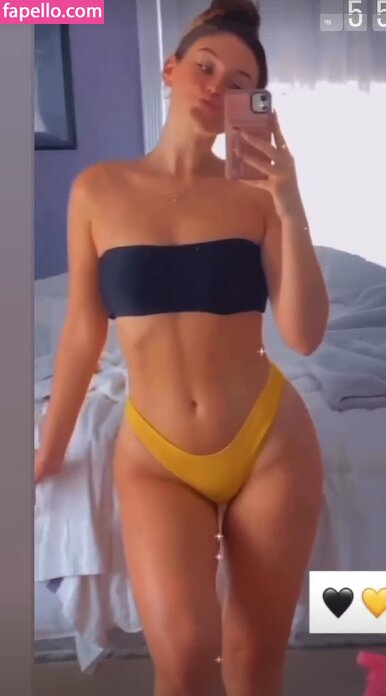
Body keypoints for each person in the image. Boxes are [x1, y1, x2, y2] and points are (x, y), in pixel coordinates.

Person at [34, 1, 330, 694]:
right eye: (205, 67)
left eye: (238, 82)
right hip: (157, 455)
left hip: (269, 442)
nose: (216, 86)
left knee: (255, 663)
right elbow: (83, 330)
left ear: (253, 104)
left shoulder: (257, 196)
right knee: (186, 658)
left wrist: (289, 200)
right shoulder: (98, 190)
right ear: (170, 70)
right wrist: (49, 450)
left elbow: (305, 334)